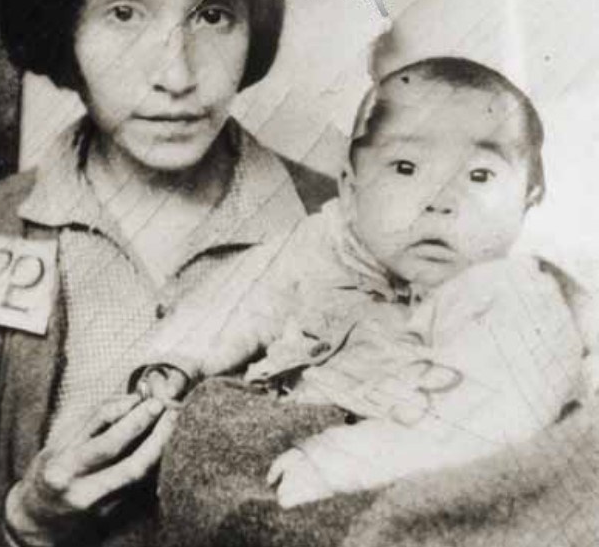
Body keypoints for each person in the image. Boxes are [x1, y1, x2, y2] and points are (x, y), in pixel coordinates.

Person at [0, 0, 334, 547]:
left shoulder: (347, 233)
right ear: (65, 25)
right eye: (125, 11)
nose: (175, 75)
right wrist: (24, 522)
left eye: (213, 14)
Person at [132, 56, 590, 509]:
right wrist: (176, 361)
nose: (441, 200)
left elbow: (479, 418)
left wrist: (346, 461)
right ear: (351, 188)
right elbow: (240, 296)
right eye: (406, 168)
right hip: (284, 439)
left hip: (392, 469)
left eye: (479, 175)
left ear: (529, 199)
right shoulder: (329, 243)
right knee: (203, 423)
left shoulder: (514, 294)